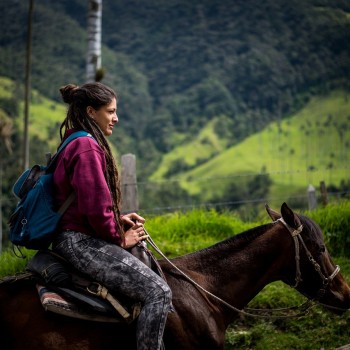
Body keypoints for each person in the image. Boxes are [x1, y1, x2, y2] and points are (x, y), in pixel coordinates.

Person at [52, 82, 172, 350]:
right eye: (111, 111)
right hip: (80, 242)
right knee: (158, 292)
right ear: (91, 112)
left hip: (73, 235)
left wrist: (118, 217)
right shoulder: (86, 147)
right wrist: (119, 237)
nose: (116, 118)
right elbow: (94, 208)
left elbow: (88, 203)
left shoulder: (74, 140)